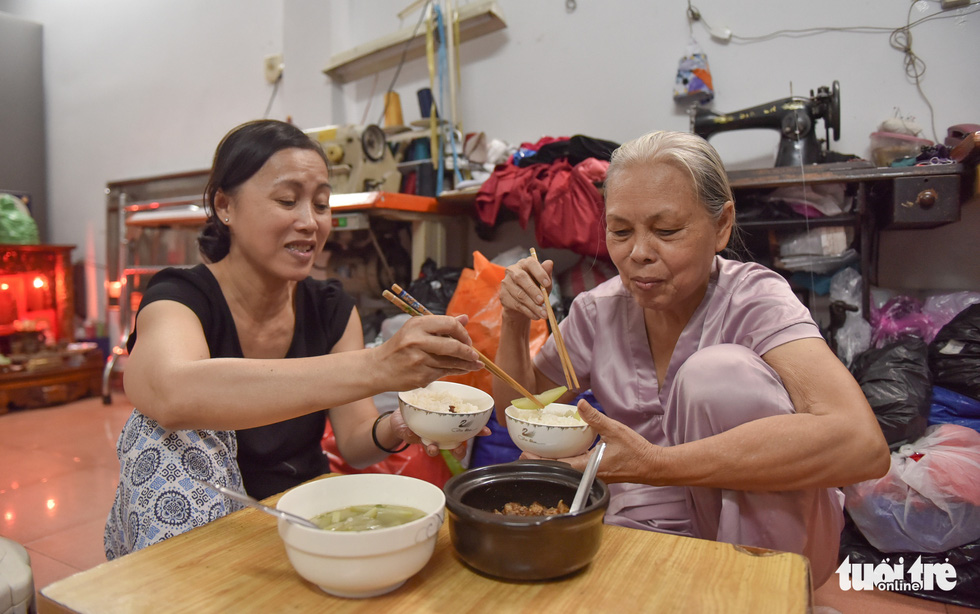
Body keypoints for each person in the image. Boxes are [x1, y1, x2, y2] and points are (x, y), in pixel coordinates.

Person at [493, 130, 890, 586]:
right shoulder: (597, 311)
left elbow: (863, 445)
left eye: (666, 231)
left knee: (717, 377)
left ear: (721, 226)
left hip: (770, 528)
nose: (639, 253)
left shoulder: (756, 300)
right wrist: (514, 319)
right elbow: (514, 412)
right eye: (620, 231)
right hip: (642, 522)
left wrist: (655, 466)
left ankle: (763, 593)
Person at [104, 120, 484, 559]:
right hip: (205, 520)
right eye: (288, 200)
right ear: (225, 206)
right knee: (158, 430)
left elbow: (357, 443)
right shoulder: (181, 296)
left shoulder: (330, 308)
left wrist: (403, 424)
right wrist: (376, 366)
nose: (310, 223)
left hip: (298, 511)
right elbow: (169, 393)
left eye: (321, 205)